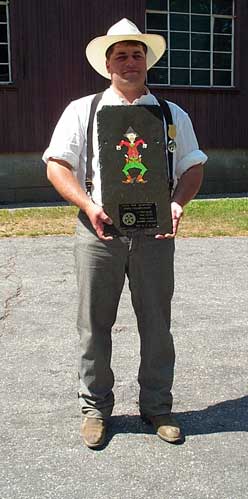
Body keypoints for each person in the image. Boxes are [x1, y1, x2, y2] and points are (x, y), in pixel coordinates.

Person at [43, 18, 207, 449]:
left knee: (157, 323)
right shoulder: (83, 110)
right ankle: (95, 409)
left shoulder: (173, 115)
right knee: (93, 324)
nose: (130, 62)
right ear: (107, 64)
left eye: (137, 54)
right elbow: (57, 165)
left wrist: (176, 203)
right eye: (121, 55)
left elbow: (193, 166)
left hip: (154, 235)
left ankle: (157, 407)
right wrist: (89, 206)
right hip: (98, 232)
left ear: (147, 62)